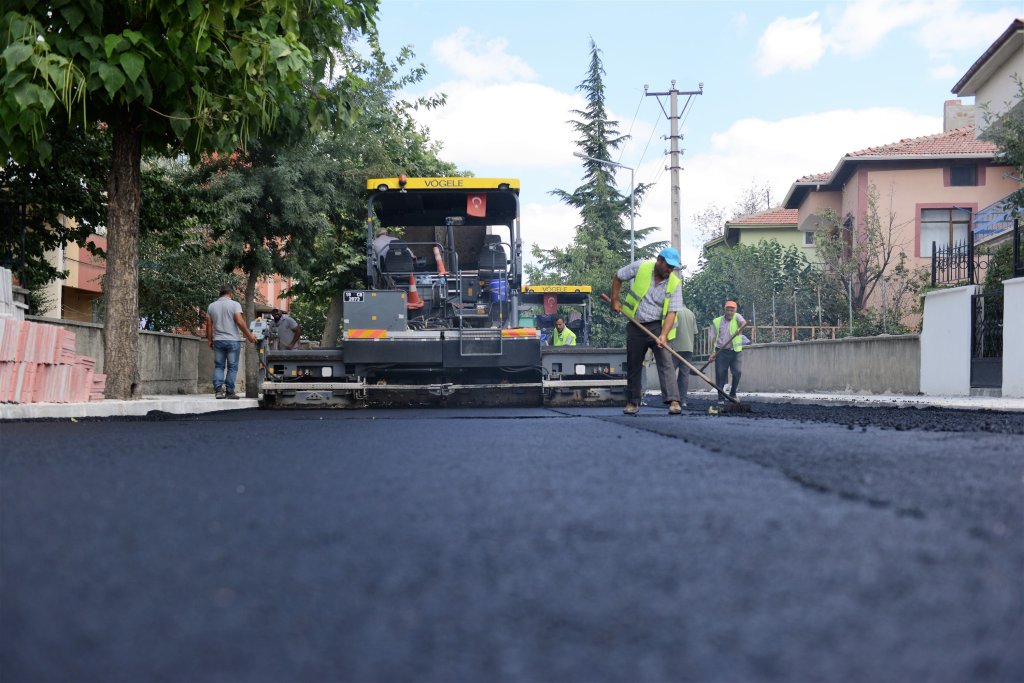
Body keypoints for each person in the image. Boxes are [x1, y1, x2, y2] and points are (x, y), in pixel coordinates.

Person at [610, 246, 684, 415]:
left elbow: (672, 312)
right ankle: (633, 402)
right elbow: (618, 277)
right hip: (636, 323)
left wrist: (663, 335)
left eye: (673, 267)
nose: (670, 270)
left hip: (658, 326)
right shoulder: (641, 266)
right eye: (668, 266)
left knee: (666, 361)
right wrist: (614, 300)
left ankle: (674, 400)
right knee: (634, 363)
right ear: (659, 260)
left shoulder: (674, 283)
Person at [206, 285, 257, 399]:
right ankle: (229, 392)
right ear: (230, 294)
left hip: (218, 340)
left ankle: (218, 391)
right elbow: (239, 321)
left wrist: (209, 340)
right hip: (233, 340)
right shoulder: (235, 304)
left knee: (219, 366)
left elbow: (209, 325)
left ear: (220, 294)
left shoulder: (211, 306)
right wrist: (249, 336)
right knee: (232, 367)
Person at [710, 300, 748, 403]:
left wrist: (739, 329)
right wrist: (713, 352)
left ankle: (733, 394)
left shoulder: (737, 317)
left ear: (735, 310)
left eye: (732, 310)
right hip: (721, 351)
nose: (730, 312)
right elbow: (713, 338)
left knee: (737, 372)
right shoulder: (716, 321)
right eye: (728, 310)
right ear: (725, 310)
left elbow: (744, 323)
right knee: (720, 374)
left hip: (735, 351)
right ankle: (721, 399)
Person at [670, 303, 698, 407]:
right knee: (684, 375)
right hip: (688, 349)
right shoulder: (691, 314)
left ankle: (672, 398)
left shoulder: (674, 312)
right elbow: (695, 332)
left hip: (674, 348)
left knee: (670, 374)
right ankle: (683, 400)